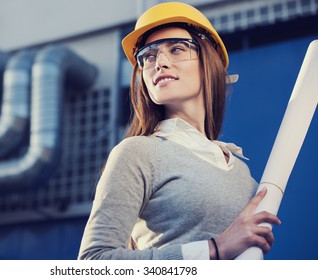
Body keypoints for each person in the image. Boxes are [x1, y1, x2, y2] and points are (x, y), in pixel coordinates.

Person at [78, 2, 281, 260]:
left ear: (209, 63)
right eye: (148, 57)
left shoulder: (243, 173)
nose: (159, 63)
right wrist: (214, 248)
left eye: (176, 49)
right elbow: (94, 262)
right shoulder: (138, 153)